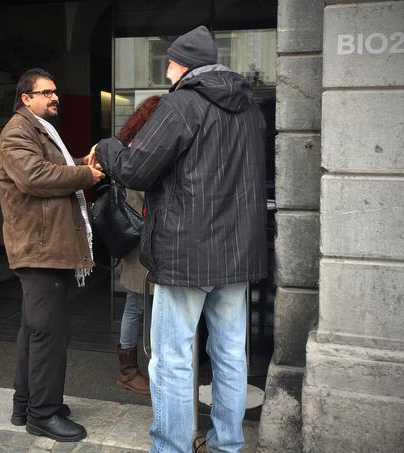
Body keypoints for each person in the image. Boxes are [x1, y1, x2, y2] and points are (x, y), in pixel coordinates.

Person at [92, 26, 267, 452]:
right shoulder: (250, 111)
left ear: (181, 63)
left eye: (168, 61)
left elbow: (134, 168)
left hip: (186, 254)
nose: (166, 69)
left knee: (170, 358)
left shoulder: (181, 105)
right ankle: (227, 442)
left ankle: (170, 446)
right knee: (230, 355)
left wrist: (106, 146)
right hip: (237, 254)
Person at [0, 67, 104, 442]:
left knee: (34, 329)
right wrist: (83, 177)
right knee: (49, 333)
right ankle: (43, 414)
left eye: (55, 91)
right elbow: (35, 178)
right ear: (26, 97)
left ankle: (25, 404)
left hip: (44, 247)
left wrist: (79, 165)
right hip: (40, 249)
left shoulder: (35, 128)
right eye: (47, 92)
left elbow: (49, 168)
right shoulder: (17, 130)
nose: (54, 97)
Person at [114, 96, 162, 396]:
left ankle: (134, 369)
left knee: (139, 305)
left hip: (139, 238)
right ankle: (129, 372)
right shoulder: (141, 151)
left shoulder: (130, 146)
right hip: (143, 239)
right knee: (138, 305)